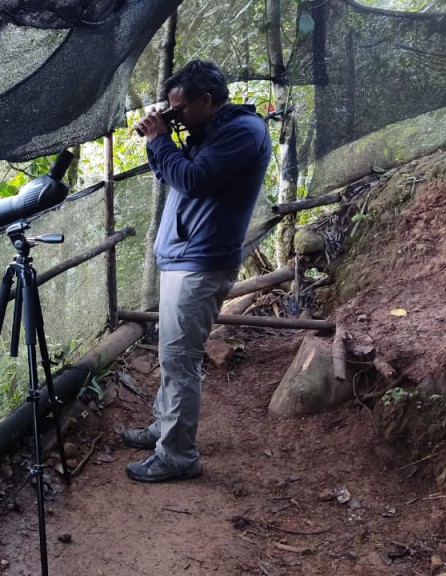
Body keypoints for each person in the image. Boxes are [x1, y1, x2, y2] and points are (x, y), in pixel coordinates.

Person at [125, 60, 271, 483]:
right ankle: (163, 429)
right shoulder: (212, 130)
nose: (176, 118)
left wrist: (159, 140)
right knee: (173, 356)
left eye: (180, 109)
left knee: (179, 360)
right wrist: (165, 138)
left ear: (207, 101)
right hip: (186, 260)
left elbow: (191, 179)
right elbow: (176, 173)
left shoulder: (242, 132)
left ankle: (177, 456)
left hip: (200, 264)